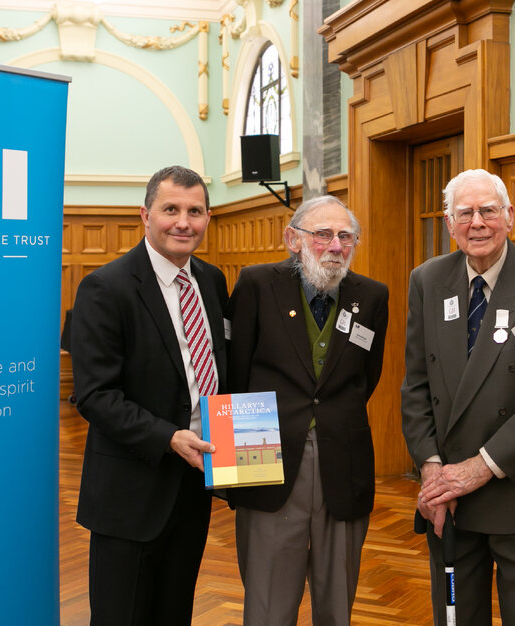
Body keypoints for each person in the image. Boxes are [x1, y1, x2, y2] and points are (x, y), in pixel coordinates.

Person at [401, 168, 515, 625]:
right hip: (450, 501)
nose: (477, 222)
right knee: (455, 617)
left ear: (510, 216)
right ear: (449, 223)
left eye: (488, 210)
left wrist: (478, 469)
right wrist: (432, 471)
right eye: (465, 213)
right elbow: (417, 385)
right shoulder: (427, 280)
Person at [69, 165, 228, 625]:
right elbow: (95, 396)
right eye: (171, 209)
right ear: (145, 215)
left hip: (194, 487)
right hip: (130, 492)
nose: (183, 222)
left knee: (174, 612)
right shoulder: (105, 287)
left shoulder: (213, 282)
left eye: (195, 211)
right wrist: (168, 437)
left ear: (208, 217)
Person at [227, 195, 389, 625]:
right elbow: (236, 377)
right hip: (266, 458)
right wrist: (237, 474)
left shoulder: (371, 296)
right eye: (322, 234)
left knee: (337, 604)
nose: (335, 245)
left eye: (345, 236)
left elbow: (365, 379)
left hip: (344, 460)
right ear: (293, 239)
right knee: (268, 604)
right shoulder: (257, 284)